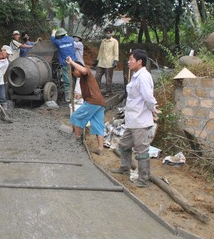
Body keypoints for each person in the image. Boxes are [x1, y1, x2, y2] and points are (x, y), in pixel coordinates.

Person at [111, 49, 158, 188]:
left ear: (139, 62)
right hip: (132, 119)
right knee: (124, 145)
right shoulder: (136, 75)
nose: (128, 62)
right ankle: (124, 168)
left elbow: (148, 97)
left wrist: (153, 110)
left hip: (140, 120)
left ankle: (143, 179)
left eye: (131, 59)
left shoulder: (143, 77)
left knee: (141, 150)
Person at [66, 57, 106, 154]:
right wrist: (81, 95)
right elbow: (92, 90)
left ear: (76, 70)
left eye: (74, 72)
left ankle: (77, 139)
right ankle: (100, 148)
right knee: (98, 125)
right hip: (99, 102)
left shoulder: (86, 72)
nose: (74, 75)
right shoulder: (83, 79)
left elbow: (83, 70)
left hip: (93, 102)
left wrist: (71, 62)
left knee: (76, 116)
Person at [50, 27, 76, 103]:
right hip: (74, 62)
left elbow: (52, 39)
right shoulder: (71, 39)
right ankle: (75, 94)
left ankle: (68, 98)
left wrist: (53, 33)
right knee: (74, 79)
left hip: (66, 64)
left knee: (67, 81)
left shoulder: (58, 42)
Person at [95, 27, 119, 96]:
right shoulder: (103, 41)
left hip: (109, 63)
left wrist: (115, 60)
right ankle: (97, 91)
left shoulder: (114, 41)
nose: (107, 34)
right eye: (106, 33)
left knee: (108, 79)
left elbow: (116, 52)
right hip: (101, 62)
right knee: (97, 77)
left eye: (109, 33)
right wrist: (97, 60)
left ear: (111, 33)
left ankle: (108, 92)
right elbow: (100, 51)